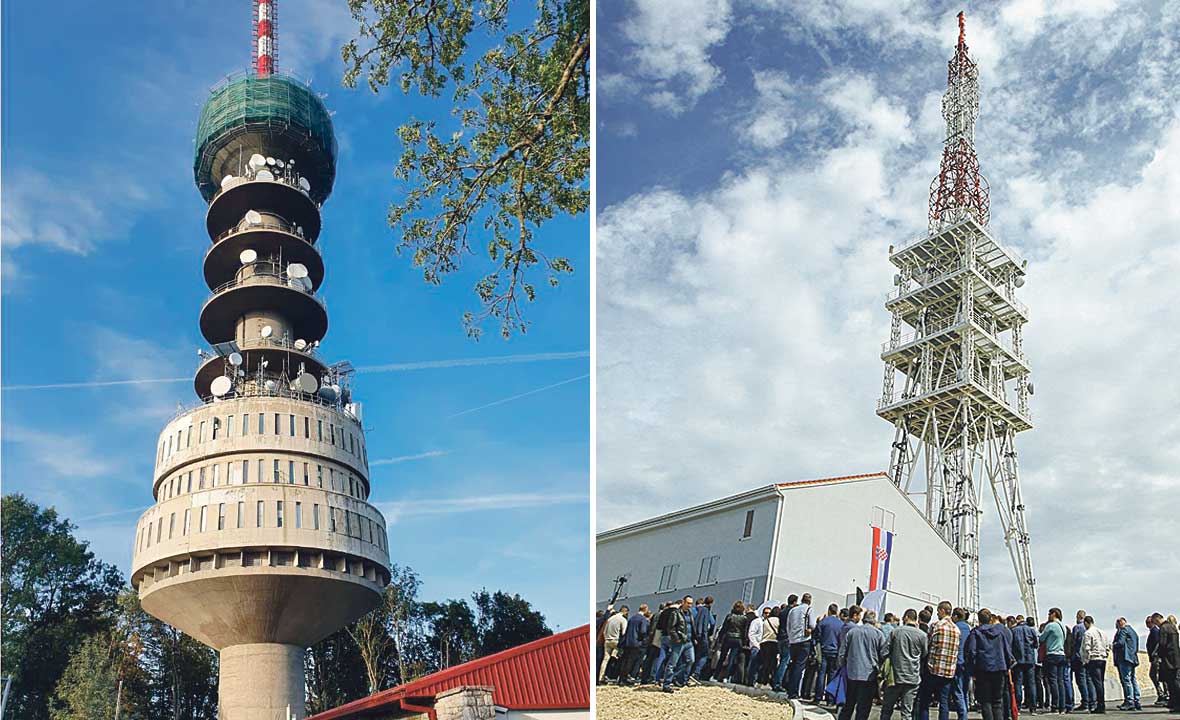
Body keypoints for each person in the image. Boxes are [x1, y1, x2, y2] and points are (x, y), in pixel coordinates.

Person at [838, 605, 888, 720]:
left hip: (852, 674)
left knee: (849, 704)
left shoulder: (852, 632)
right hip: (869, 675)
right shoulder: (878, 634)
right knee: (863, 708)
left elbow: (842, 653)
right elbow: (884, 654)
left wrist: (843, 666)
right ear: (874, 620)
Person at [965, 608, 1014, 720]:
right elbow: (1007, 651)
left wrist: (972, 671)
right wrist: (1007, 667)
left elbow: (972, 652)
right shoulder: (1000, 632)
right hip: (999, 668)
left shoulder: (975, 632)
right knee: (997, 701)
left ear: (979, 619)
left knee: (986, 702)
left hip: (983, 669)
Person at [917, 601, 961, 720]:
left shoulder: (936, 626)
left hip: (933, 669)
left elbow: (928, 645)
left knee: (925, 701)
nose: (937, 613)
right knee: (944, 702)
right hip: (948, 672)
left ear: (942, 610)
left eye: (938, 611)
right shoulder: (957, 630)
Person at [882, 608, 929, 720]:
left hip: (895, 677)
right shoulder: (922, 635)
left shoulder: (896, 631)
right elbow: (924, 654)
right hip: (912, 677)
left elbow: (884, 651)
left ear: (906, 617)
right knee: (907, 712)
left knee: (887, 710)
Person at [776, 592, 814, 697]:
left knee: (792, 664)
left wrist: (791, 636)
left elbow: (788, 625)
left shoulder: (793, 610)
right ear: (810, 601)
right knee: (799, 666)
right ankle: (793, 691)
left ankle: (788, 688)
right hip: (804, 640)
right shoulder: (809, 610)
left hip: (792, 641)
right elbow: (812, 624)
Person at [661, 596, 696, 692]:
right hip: (680, 641)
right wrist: (676, 638)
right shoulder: (675, 613)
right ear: (683, 602)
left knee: (690, 661)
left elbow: (692, 626)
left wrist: (695, 638)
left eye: (691, 603)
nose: (690, 605)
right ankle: (667, 684)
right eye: (688, 603)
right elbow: (671, 627)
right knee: (672, 663)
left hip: (689, 641)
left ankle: (675, 676)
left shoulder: (690, 614)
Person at [1039, 607, 1069, 713]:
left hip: (1051, 654)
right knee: (1060, 681)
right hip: (1061, 654)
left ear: (1054, 614)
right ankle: (1062, 706)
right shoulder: (1063, 626)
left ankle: (1054, 705)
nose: (1048, 616)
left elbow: (1041, 638)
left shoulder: (1050, 626)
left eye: (1049, 613)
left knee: (1053, 681)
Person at [816, 603, 844, 704]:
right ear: (836, 612)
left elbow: (817, 637)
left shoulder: (823, 622)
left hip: (824, 650)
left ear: (828, 611)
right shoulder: (841, 624)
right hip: (835, 651)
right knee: (832, 675)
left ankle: (818, 697)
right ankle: (830, 699)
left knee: (821, 674)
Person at [1081, 615, 1109, 714]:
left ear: (1086, 623)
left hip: (1094, 659)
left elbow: (1087, 648)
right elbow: (1107, 646)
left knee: (1097, 683)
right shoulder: (1103, 632)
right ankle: (1101, 703)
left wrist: (1086, 660)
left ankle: (1100, 705)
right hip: (1102, 658)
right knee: (1100, 682)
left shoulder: (1088, 633)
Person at [1012, 616, 1040, 713]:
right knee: (1031, 683)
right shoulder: (1031, 630)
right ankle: (1033, 707)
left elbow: (1011, 645)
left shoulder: (1014, 630)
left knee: (1018, 684)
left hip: (1018, 660)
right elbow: (1036, 644)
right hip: (1030, 659)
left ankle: (1018, 707)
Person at [1112, 617, 1140, 711]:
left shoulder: (1123, 630)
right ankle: (1136, 700)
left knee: (1126, 680)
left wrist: (1113, 645)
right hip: (1132, 658)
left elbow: (1120, 643)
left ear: (1120, 624)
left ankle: (1129, 701)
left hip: (1124, 658)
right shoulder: (1133, 631)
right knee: (1132, 679)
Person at [1153, 613, 1180, 712]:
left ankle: (1176, 704)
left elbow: (1162, 644)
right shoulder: (1172, 627)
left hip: (1168, 659)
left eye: (1155, 622)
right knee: (1175, 681)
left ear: (1157, 620)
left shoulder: (1163, 628)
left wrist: (1158, 655)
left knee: (1172, 683)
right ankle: (1174, 703)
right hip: (1176, 658)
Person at [599, 605, 629, 683]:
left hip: (607, 640)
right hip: (616, 641)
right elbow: (624, 632)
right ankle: (613, 675)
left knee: (605, 659)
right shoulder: (623, 620)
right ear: (625, 611)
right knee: (615, 658)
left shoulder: (610, 619)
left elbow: (604, 631)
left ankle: (601, 677)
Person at [952, 607, 972, 720]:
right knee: (964, 689)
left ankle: (963, 715)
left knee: (957, 690)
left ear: (956, 616)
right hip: (967, 662)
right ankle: (966, 708)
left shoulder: (955, 627)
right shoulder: (969, 628)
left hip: (957, 661)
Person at [1071, 610, 1092, 712]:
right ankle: (1091, 701)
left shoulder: (1077, 628)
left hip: (1078, 657)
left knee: (1081, 680)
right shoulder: (1089, 628)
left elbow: (1073, 642)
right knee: (1089, 680)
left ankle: (1085, 702)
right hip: (1088, 658)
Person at [691, 595, 715, 679]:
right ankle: (696, 673)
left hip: (695, 636)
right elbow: (712, 622)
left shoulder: (694, 610)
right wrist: (710, 634)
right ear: (711, 603)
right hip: (703, 636)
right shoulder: (706, 611)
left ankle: (690, 672)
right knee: (704, 655)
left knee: (695, 654)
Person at [1147, 614, 1169, 707]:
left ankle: (1163, 694)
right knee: (1159, 676)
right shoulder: (1154, 631)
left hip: (1156, 658)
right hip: (1155, 657)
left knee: (1158, 676)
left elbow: (1158, 643)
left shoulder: (1155, 631)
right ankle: (1163, 694)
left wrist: (1155, 654)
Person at [757, 604, 781, 686]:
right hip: (773, 642)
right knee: (771, 663)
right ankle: (767, 681)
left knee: (764, 662)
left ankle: (760, 679)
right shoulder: (778, 621)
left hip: (764, 642)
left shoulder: (766, 621)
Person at [746, 605, 764, 686]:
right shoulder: (757, 621)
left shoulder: (766, 623)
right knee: (753, 664)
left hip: (762, 646)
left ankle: (754, 681)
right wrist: (755, 644)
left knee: (759, 665)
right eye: (766, 613)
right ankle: (750, 681)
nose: (767, 615)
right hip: (755, 646)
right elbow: (751, 633)